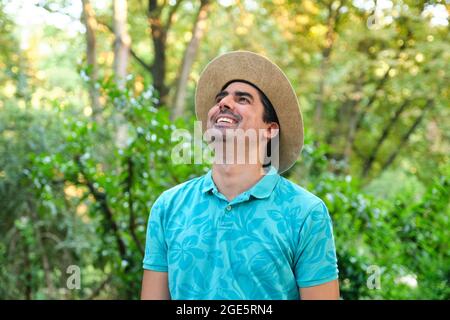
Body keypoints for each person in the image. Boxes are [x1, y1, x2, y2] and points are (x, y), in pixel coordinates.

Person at [141, 51, 339, 300]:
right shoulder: (168, 206)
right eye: (220, 98)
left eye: (242, 99)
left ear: (270, 130)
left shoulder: (306, 213)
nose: (224, 103)